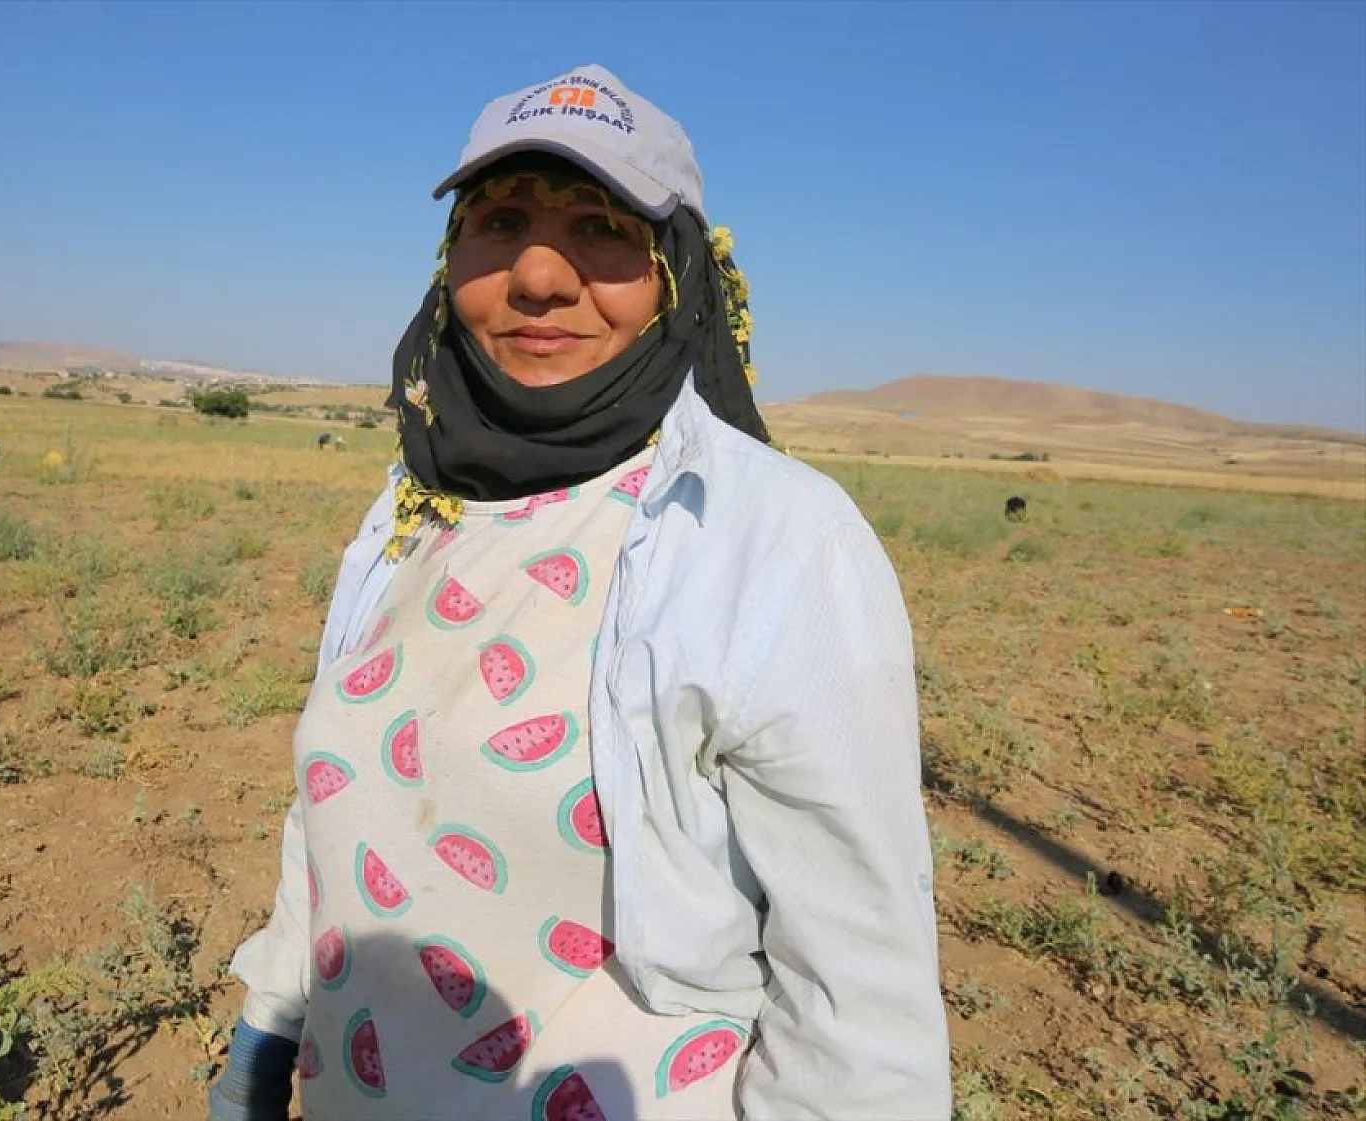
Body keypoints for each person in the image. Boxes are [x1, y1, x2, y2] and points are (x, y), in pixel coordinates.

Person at [211, 65, 949, 1121]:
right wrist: (272, 1014)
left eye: (601, 228)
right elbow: (340, 803)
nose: (539, 276)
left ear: (677, 273)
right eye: (498, 219)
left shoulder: (774, 541)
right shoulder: (411, 507)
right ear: (448, 260)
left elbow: (855, 987)